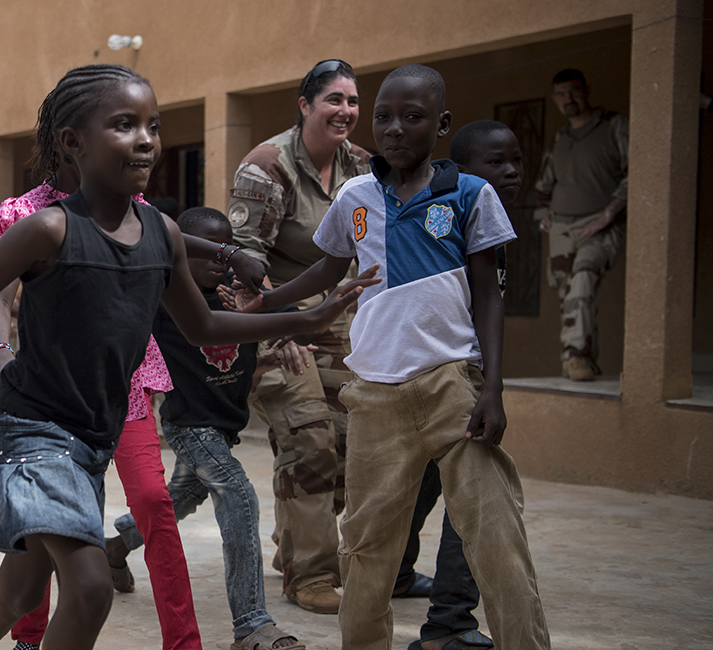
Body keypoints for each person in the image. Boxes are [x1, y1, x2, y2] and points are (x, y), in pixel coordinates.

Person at [0, 63, 374, 650]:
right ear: (74, 143)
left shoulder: (160, 235)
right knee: (88, 588)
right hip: (33, 429)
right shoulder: (48, 229)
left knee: (19, 586)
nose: (145, 138)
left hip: (93, 435)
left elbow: (203, 324)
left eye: (152, 125)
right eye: (123, 124)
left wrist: (305, 317)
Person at [251, 64, 549, 650]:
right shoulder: (356, 196)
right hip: (374, 397)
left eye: (411, 117)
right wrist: (265, 303)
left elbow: (488, 293)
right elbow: (327, 269)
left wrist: (492, 387)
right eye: (383, 116)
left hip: (452, 386)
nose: (392, 128)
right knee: (366, 547)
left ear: (440, 125)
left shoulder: (469, 193)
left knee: (495, 532)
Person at [110, 206, 305, 650]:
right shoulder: (163, 299)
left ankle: (116, 545)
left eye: (226, 248)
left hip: (226, 423)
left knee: (179, 498)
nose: (220, 260)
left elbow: (284, 309)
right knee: (237, 494)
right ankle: (252, 624)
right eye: (208, 251)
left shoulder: (241, 291)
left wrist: (286, 333)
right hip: (189, 424)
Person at [228, 58, 368, 613]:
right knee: (309, 436)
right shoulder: (267, 168)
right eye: (333, 99)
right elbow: (244, 264)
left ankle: (296, 545)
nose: (345, 111)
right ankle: (310, 575)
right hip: (274, 315)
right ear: (306, 105)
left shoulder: (363, 167)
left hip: (343, 318)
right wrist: (273, 329)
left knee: (352, 440)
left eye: (353, 101)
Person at [386, 119, 526, 650]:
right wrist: (490, 387)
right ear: (464, 173)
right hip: (441, 383)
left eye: (515, 159)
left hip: (445, 384)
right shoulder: (454, 215)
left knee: (427, 484)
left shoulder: (481, 222)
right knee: (471, 502)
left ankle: (400, 574)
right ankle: (449, 625)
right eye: (496, 163)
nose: (510, 171)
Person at [534, 68, 628, 381]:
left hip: (599, 225)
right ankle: (580, 359)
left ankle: (576, 356)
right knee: (569, 295)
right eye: (560, 95)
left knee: (585, 276)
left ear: (586, 90)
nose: (568, 100)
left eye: (573, 92)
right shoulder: (560, 139)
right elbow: (544, 185)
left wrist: (609, 213)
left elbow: (639, 170)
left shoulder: (613, 126)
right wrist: (544, 213)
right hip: (561, 227)